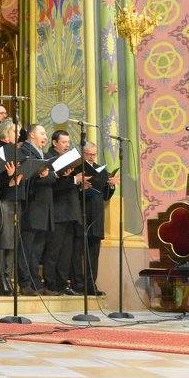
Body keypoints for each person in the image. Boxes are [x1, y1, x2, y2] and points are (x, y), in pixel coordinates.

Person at [17, 124, 56, 295]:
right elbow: (25, 175)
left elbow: (53, 177)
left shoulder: (44, 155)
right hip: (31, 205)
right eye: (42, 133)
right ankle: (25, 282)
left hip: (44, 206)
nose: (45, 137)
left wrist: (47, 175)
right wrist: (42, 175)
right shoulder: (25, 151)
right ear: (32, 135)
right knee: (27, 247)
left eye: (46, 133)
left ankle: (35, 282)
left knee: (37, 249)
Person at [43, 130, 82, 295]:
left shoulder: (68, 159)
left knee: (66, 252)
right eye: (64, 142)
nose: (67, 145)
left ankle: (62, 283)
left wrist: (79, 182)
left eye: (68, 142)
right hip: (57, 210)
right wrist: (73, 180)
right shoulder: (49, 158)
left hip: (70, 210)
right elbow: (52, 186)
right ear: (54, 143)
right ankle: (50, 283)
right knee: (54, 250)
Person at [79, 140, 117, 295]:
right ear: (82, 153)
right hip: (82, 214)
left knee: (94, 254)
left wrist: (111, 185)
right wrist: (81, 186)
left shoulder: (100, 170)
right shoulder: (78, 168)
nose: (92, 157)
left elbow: (105, 196)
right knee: (79, 254)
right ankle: (78, 284)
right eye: (89, 154)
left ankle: (91, 285)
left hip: (96, 217)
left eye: (94, 154)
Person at [0, 119, 21, 295]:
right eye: (14, 132)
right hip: (1, 200)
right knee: (3, 241)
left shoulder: (16, 151)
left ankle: (9, 279)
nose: (18, 135)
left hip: (13, 199)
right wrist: (9, 177)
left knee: (12, 242)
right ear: (5, 133)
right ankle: (2, 281)